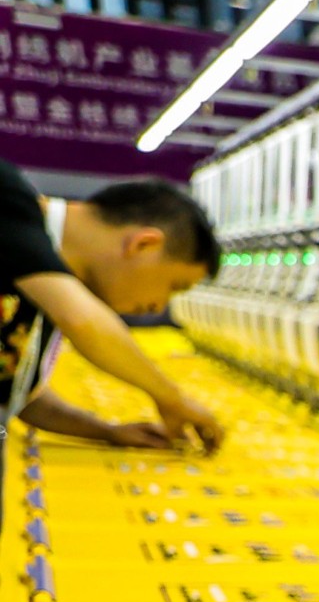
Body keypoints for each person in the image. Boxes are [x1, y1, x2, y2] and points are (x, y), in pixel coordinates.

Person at [0, 165, 225, 453]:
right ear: (144, 244)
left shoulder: (42, 285)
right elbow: (81, 321)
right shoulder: (8, 197)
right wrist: (171, 398)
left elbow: (19, 393)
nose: (159, 305)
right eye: (174, 286)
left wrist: (108, 431)